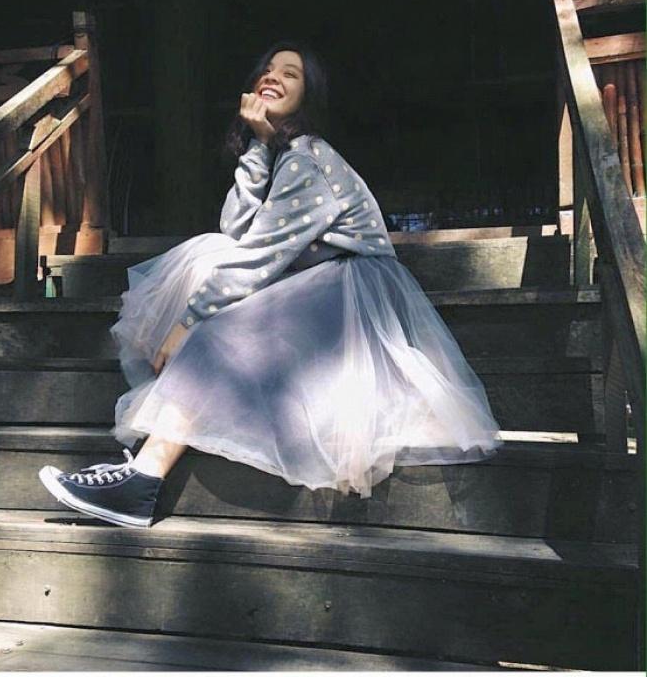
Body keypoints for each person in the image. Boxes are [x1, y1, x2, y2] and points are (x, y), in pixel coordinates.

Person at [39, 40, 504, 528]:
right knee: (207, 252)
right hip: (317, 281)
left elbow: (259, 255)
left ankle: (143, 479)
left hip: (352, 292)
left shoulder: (310, 160)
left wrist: (188, 322)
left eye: (290, 74)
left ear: (309, 97)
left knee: (218, 337)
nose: (272, 77)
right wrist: (258, 145)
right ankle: (157, 442)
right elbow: (237, 232)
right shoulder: (285, 155)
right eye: (267, 69)